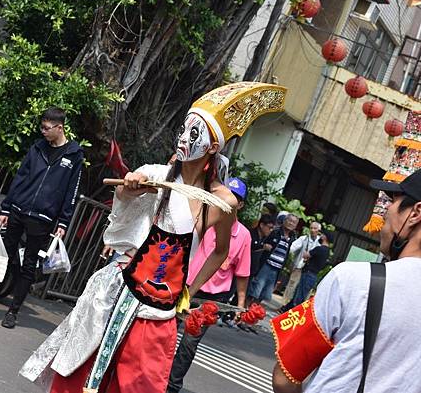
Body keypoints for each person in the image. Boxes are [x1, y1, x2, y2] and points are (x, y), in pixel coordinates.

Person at [20, 84, 284, 393]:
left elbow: (220, 251)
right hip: (118, 292)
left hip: (159, 309)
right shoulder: (155, 174)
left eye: (195, 133)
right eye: (184, 129)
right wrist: (128, 187)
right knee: (83, 375)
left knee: (139, 384)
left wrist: (190, 290)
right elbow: (123, 198)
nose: (185, 138)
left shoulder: (220, 200)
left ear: (213, 147)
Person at [271, 169, 421, 393]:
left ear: (416, 213)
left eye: (393, 201)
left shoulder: (353, 280)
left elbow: (286, 376)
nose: (386, 209)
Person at [0, 107, 84, 329]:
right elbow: (20, 177)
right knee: (5, 258)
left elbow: (71, 192)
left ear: (60, 127)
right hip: (18, 210)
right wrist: (6, 209)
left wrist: (63, 222)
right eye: (42, 127)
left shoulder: (74, 155)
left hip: (43, 218)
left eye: (47, 128)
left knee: (29, 265)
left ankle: (13, 311)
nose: (43, 132)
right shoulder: (37, 148)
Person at [166, 177, 251, 393]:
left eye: (236, 199)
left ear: (239, 205)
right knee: (165, 332)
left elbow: (242, 272)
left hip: (212, 298)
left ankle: (171, 387)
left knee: (188, 344)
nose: (229, 201)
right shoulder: (203, 219)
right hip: (184, 286)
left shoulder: (243, 236)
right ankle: (154, 375)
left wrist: (240, 304)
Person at [247, 214, 297, 305]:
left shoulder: (292, 238)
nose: (291, 223)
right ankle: (244, 311)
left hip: (277, 269)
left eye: (294, 222)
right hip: (266, 264)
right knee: (255, 290)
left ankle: (253, 312)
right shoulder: (275, 231)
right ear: (284, 221)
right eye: (289, 220)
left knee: (264, 293)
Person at [279, 231, 331, 313]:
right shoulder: (327, 251)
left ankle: (292, 313)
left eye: (322, 235)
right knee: (301, 294)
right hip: (313, 275)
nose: (320, 236)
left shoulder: (319, 249)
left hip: (308, 273)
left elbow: (306, 255)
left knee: (299, 296)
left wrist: (306, 254)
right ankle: (286, 309)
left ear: (325, 238)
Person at [282, 222, 321, 305]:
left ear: (319, 230)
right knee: (292, 286)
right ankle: (284, 305)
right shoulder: (304, 238)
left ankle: (297, 308)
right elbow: (293, 247)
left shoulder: (320, 243)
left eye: (315, 228)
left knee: (303, 290)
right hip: (299, 266)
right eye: (311, 228)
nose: (312, 230)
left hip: (309, 270)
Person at [250, 213, 275, 278]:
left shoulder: (266, 238)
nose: (271, 230)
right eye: (270, 228)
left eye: (272, 228)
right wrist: (262, 247)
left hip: (253, 272)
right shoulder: (250, 234)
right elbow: (250, 247)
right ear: (261, 225)